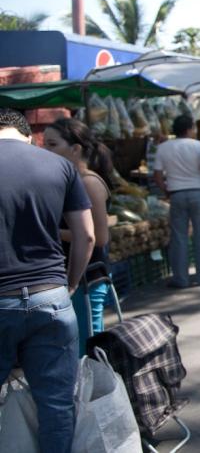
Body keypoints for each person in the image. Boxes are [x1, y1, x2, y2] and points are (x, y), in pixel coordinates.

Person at [0, 108, 95, 452]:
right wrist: (68, 284)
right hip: (51, 297)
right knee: (56, 406)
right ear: (29, 136)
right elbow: (87, 236)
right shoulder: (60, 167)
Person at [43, 118, 115, 353]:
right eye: (45, 144)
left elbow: (99, 237)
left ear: (75, 149)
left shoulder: (88, 182)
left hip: (87, 279)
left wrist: (49, 232)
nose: (46, 151)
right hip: (71, 278)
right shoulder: (69, 181)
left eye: (53, 144)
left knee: (88, 350)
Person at [153, 115, 200, 289]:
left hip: (176, 194)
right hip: (197, 192)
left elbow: (157, 175)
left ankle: (181, 278)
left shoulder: (163, 148)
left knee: (179, 237)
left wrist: (166, 190)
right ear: (189, 129)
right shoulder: (197, 146)